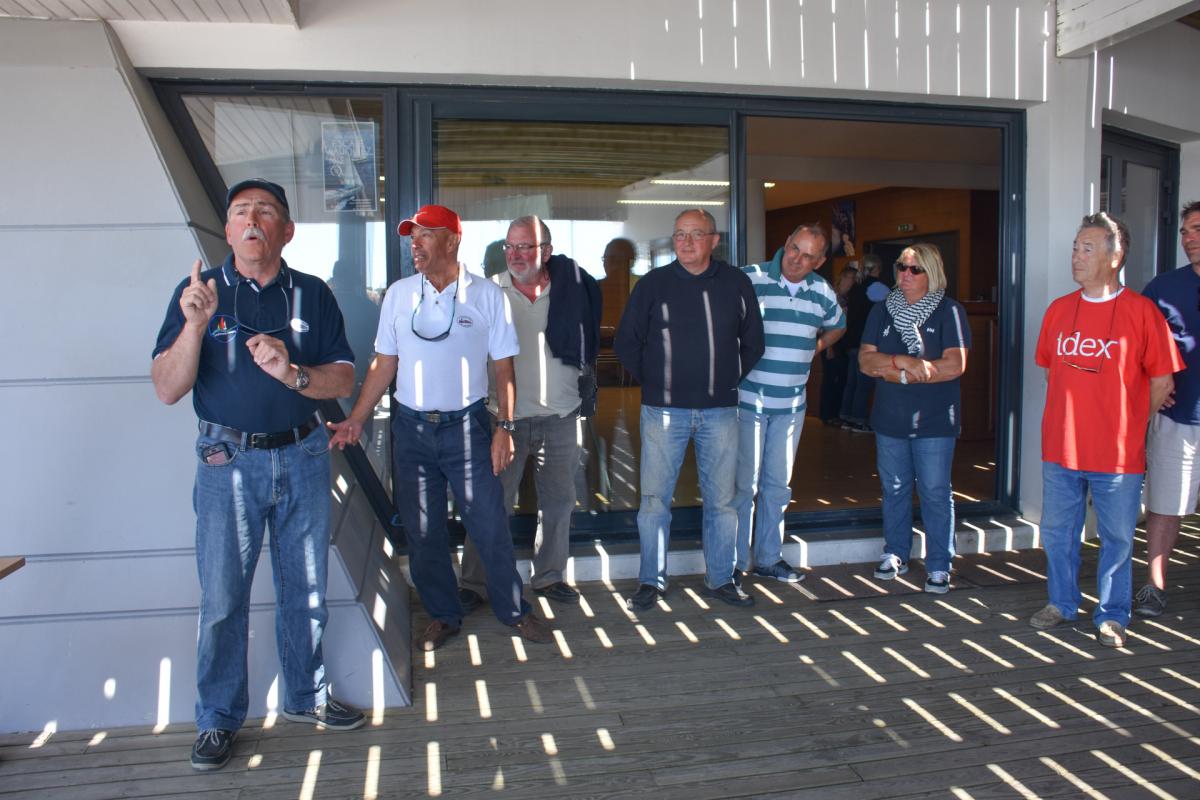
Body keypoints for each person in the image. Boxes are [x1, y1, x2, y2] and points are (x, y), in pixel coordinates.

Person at [152, 179, 364, 772]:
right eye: (241, 211)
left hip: (304, 455)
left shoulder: (312, 294)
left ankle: (306, 696)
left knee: (307, 590)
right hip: (227, 462)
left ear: (286, 231)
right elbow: (167, 388)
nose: (252, 220)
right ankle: (218, 719)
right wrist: (195, 326)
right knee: (223, 598)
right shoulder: (198, 294)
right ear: (227, 230)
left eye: (265, 211)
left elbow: (344, 377)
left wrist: (292, 373)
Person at [328, 204, 552, 652]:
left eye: (425, 235)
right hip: (411, 430)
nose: (415, 244)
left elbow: (504, 369)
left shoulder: (486, 295)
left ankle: (513, 609)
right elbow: (384, 363)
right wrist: (356, 418)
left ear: (452, 241)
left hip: (467, 427)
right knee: (423, 530)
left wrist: (505, 427)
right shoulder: (398, 294)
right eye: (413, 237)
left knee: (488, 524)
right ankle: (443, 615)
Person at [1031, 212, 1179, 648]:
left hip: (1117, 454)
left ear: (1115, 257)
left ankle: (1113, 614)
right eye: (1075, 248)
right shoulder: (1059, 310)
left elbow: (1162, 381)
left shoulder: (1142, 312)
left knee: (1116, 538)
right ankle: (1061, 603)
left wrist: (1130, 424)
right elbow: (1051, 373)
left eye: (1087, 248)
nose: (1076, 256)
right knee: (1057, 533)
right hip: (1061, 447)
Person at [615, 209, 765, 610]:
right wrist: (658, 382)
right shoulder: (653, 284)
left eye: (696, 234)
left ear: (714, 241)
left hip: (720, 411)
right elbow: (627, 342)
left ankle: (720, 579)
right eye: (680, 234)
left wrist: (727, 379)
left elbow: (754, 342)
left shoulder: (735, 283)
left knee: (722, 502)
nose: (686, 242)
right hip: (663, 412)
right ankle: (651, 581)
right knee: (654, 502)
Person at [458, 216, 601, 610]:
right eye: (510, 246)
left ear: (547, 251)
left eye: (525, 246)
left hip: (561, 416)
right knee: (491, 505)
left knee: (558, 503)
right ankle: (475, 583)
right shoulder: (488, 292)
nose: (515, 254)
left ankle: (550, 576)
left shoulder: (572, 290)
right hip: (504, 420)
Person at [735, 224, 845, 583]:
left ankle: (768, 558)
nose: (797, 259)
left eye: (808, 255)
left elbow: (838, 325)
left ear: (820, 261)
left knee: (778, 485)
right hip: (748, 401)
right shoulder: (750, 278)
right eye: (795, 248)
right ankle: (734, 562)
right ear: (786, 242)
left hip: (792, 406)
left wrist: (816, 347)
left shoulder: (822, 291)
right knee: (743, 485)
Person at [859, 243, 970, 595]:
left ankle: (939, 564)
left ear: (931, 273)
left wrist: (896, 373)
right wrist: (905, 363)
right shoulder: (882, 310)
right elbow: (866, 361)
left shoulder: (949, 311)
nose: (905, 275)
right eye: (901, 267)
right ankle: (896, 552)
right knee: (894, 489)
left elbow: (955, 364)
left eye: (914, 269)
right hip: (890, 417)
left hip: (935, 419)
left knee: (935, 491)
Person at [1134, 201, 1200, 618]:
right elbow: (1136, 346)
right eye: (1184, 231)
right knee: (1165, 504)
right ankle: (1154, 586)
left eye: (1197, 229)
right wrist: (1150, 383)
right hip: (1177, 418)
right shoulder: (1163, 288)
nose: (1188, 238)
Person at [840, 253, 887, 432]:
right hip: (866, 341)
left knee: (851, 382)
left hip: (851, 339)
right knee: (864, 383)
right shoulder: (878, 288)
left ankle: (846, 416)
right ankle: (859, 419)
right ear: (876, 268)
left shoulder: (856, 287)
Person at [820, 263, 858, 426]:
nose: (853, 281)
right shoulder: (834, 297)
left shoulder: (850, 298)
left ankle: (835, 414)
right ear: (842, 277)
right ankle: (828, 415)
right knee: (831, 379)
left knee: (841, 379)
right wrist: (829, 348)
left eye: (855, 279)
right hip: (831, 343)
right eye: (851, 278)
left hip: (842, 343)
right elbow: (828, 324)